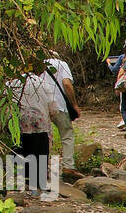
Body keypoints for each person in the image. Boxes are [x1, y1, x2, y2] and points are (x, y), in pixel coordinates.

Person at [6, 67, 56, 199]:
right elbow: (53, 106)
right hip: (41, 122)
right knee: (41, 151)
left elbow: (7, 104)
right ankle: (41, 182)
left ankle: (28, 182)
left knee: (26, 150)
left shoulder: (12, 84)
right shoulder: (43, 83)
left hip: (21, 122)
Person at [41, 51, 78, 169]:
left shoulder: (38, 65)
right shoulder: (61, 64)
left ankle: (42, 168)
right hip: (58, 105)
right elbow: (67, 84)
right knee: (67, 134)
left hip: (40, 105)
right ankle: (68, 166)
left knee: (43, 136)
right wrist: (74, 104)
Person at [106, 39, 126, 131]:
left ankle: (125, 122)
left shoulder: (123, 58)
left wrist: (109, 63)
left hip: (125, 84)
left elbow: (115, 71)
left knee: (124, 105)